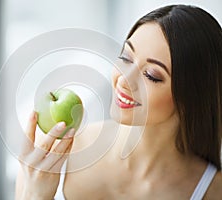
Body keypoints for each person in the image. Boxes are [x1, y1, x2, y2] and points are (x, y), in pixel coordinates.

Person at [15, 4, 222, 199]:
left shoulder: (213, 191)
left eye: (151, 75)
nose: (124, 80)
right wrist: (35, 195)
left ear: (191, 96)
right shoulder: (52, 157)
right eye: (126, 57)